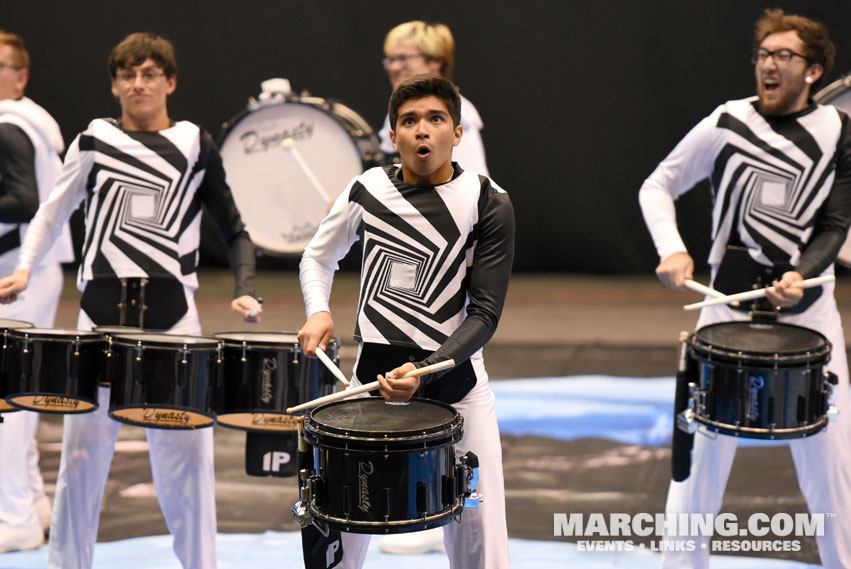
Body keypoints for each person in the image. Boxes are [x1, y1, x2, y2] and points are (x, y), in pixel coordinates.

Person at [0, 32, 261, 569]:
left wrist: (245, 287)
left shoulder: (194, 143)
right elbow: (50, 211)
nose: (137, 85)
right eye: (127, 75)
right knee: (79, 462)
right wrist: (26, 266)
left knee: (188, 460)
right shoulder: (93, 141)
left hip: (173, 325)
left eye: (148, 74)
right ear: (115, 85)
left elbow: (233, 229)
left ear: (170, 82)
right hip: (99, 322)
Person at [639, 9, 851, 569]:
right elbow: (658, 185)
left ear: (813, 71)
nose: (769, 65)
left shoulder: (839, 132)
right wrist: (671, 247)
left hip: (809, 317)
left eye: (784, 56)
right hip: (725, 313)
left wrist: (801, 273)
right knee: (695, 471)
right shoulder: (727, 122)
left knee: (832, 474)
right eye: (763, 55)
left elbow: (834, 223)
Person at [298, 75, 513, 569]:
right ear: (392, 137)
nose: (423, 131)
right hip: (367, 396)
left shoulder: (488, 201)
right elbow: (317, 258)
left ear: (457, 133)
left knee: (481, 548)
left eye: (436, 119)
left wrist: (425, 370)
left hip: (458, 393)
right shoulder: (366, 189)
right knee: (334, 550)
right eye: (409, 121)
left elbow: (484, 314)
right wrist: (319, 310)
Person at [0, 30, 74, 553]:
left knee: (7, 401)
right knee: (17, 396)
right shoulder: (36, 118)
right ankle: (32, 503)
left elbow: (23, 200)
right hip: (37, 268)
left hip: (15, 272)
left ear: (20, 75)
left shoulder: (9, 122)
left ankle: (15, 516)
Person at [379, 21, 489, 176]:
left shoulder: (456, 112)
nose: (394, 67)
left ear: (435, 61)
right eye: (391, 60)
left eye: (403, 58)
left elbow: (474, 189)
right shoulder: (398, 110)